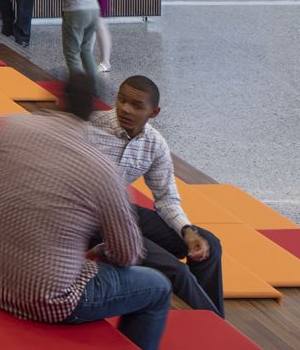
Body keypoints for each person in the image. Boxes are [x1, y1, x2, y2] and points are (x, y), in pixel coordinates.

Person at [0, 73, 173, 350]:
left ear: (57, 100)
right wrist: (100, 251)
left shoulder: (11, 126)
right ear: (94, 112)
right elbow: (127, 254)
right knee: (158, 286)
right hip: (43, 299)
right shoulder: (102, 169)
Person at [89, 74, 225, 315]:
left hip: (121, 211)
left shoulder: (155, 144)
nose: (125, 109)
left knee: (210, 245)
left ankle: (209, 324)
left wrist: (187, 231)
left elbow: (166, 198)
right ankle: (216, 328)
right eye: (121, 100)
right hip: (87, 217)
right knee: (177, 272)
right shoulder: (90, 128)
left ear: (154, 112)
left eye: (136, 105)